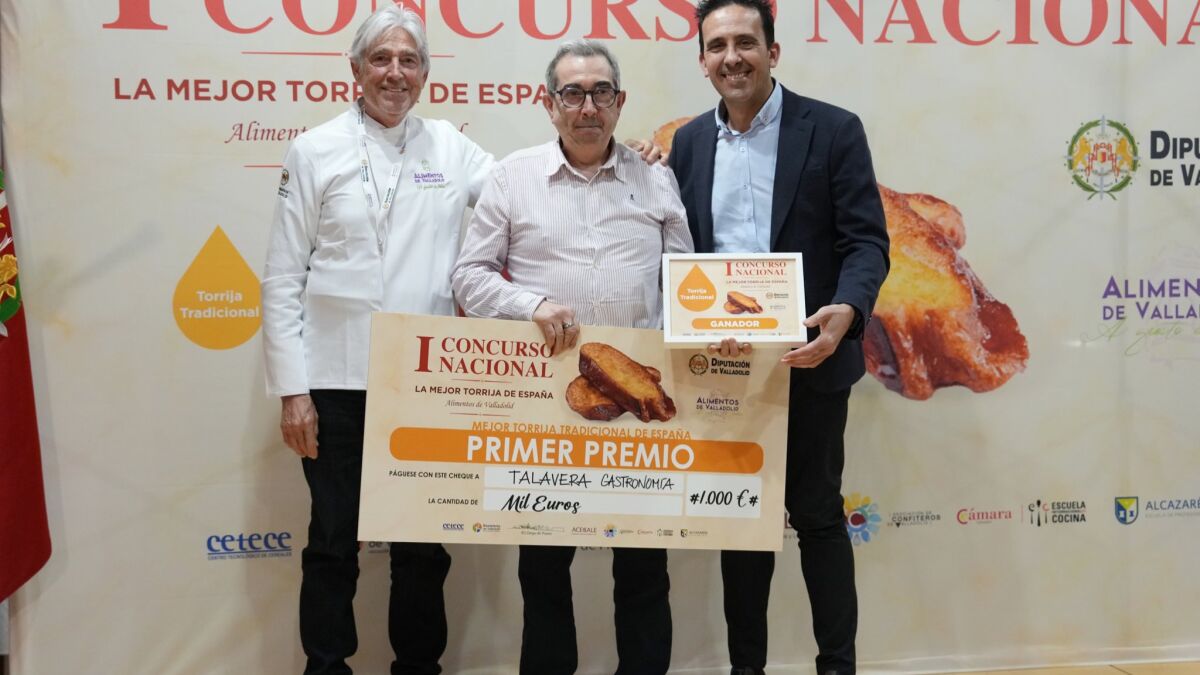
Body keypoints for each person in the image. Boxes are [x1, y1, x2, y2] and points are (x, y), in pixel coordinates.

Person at [261, 6, 495, 674]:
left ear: (425, 74)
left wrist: (620, 153)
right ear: (356, 70)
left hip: (425, 383)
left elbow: (525, 191)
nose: (395, 73)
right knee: (333, 541)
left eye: (409, 60)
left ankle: (418, 666)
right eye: (381, 59)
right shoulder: (314, 149)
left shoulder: (451, 147)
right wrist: (293, 392)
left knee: (422, 545)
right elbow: (282, 277)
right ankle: (326, 665)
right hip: (335, 381)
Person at [451, 39, 693, 675]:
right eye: (573, 94)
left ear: (620, 102)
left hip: (638, 412)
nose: (588, 107)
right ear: (549, 104)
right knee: (543, 574)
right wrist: (530, 303)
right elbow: (469, 277)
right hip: (546, 411)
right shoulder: (512, 177)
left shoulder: (656, 178)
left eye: (600, 93)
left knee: (644, 572)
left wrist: (706, 329)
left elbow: (685, 282)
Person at [667, 2, 890, 674]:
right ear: (702, 60)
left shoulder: (833, 129)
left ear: (773, 51)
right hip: (725, 370)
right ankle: (746, 668)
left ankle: (837, 666)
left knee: (818, 518)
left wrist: (848, 308)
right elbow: (678, 248)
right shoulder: (687, 144)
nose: (732, 57)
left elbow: (866, 242)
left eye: (746, 42)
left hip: (812, 359)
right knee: (742, 524)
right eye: (717, 46)